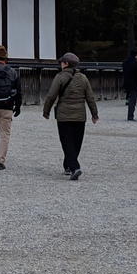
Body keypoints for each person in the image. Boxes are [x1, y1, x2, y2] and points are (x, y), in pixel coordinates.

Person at [42, 52, 98, 181]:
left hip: (64, 115)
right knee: (76, 141)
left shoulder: (60, 77)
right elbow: (90, 97)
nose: (60, 64)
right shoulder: (83, 78)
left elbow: (51, 95)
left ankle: (74, 167)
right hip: (80, 115)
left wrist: (46, 111)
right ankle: (68, 165)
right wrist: (94, 114)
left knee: (66, 141)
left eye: (62, 62)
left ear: (66, 63)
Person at [121, 48, 137, 121]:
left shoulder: (125, 62)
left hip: (126, 82)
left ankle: (130, 115)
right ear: (136, 55)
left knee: (129, 98)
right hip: (134, 83)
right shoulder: (136, 63)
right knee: (132, 100)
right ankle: (130, 115)